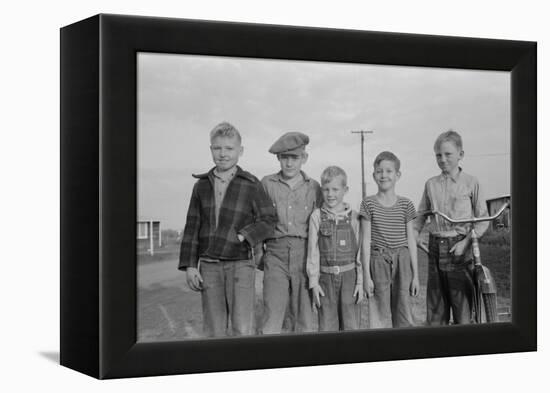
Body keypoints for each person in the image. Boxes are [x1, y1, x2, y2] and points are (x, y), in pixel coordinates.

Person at [178, 122, 277, 337]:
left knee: (242, 327)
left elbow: (269, 220)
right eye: (217, 148)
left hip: (240, 265)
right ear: (211, 149)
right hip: (209, 265)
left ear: (240, 151)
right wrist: (190, 266)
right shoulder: (201, 185)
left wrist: (244, 235)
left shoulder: (250, 184)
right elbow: (192, 226)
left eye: (229, 149)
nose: (223, 154)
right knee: (214, 328)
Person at [414, 130, 489, 325]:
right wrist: (414, 235)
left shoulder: (471, 183)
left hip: (459, 249)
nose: (442, 159)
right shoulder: (430, 184)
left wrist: (466, 243)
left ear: (460, 155)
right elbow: (421, 216)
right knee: (436, 310)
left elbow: (483, 219)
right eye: (438, 155)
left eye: (448, 154)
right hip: (435, 247)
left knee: (462, 307)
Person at [260, 132, 323, 334]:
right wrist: (259, 253)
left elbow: (320, 224)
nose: (289, 163)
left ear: (304, 158)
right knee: (272, 312)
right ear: (278, 158)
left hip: (304, 252)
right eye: (284, 157)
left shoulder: (313, 187)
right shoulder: (267, 184)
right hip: (275, 252)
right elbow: (257, 220)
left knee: (304, 313)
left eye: (294, 158)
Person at [360, 151, 419, 328]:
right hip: (378, 261)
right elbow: (365, 242)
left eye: (388, 171)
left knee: (404, 311)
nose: (383, 175)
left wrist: (416, 276)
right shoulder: (368, 203)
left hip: (402, 260)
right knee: (379, 314)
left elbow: (411, 241)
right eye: (379, 171)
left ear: (397, 175)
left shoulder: (406, 204)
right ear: (374, 175)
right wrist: (366, 276)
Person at [306, 166, 363, 331]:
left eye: (335, 189)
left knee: (351, 325)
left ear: (345, 190)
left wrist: (360, 282)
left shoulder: (354, 217)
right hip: (325, 279)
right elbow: (313, 252)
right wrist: (314, 283)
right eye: (326, 189)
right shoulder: (317, 216)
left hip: (349, 279)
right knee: (327, 327)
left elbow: (360, 252)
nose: (330, 194)